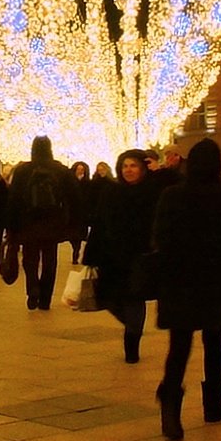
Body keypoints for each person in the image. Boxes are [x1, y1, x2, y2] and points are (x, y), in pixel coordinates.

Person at [148, 138, 221, 440]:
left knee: (179, 347)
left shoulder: (171, 196)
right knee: (214, 343)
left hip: (179, 282)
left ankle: (170, 408)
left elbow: (159, 240)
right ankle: (212, 404)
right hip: (215, 282)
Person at [87, 149, 160, 364]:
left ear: (143, 168)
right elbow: (99, 224)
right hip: (113, 257)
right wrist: (91, 256)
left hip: (141, 257)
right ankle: (131, 326)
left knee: (134, 299)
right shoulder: (112, 192)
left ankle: (132, 345)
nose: (129, 170)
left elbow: (178, 187)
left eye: (134, 165)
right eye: (125, 166)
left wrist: (159, 171)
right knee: (109, 298)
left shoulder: (153, 191)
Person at [10, 136, 73, 309]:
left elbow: (13, 199)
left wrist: (12, 226)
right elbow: (73, 196)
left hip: (28, 222)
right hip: (53, 222)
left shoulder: (23, 170)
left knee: (30, 259)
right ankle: (45, 298)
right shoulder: (60, 170)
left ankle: (32, 290)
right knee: (50, 260)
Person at [66, 160, 94, 262]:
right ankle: (75, 249)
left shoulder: (87, 183)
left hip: (83, 213)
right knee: (72, 236)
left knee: (79, 235)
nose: (80, 171)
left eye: (82, 169)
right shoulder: (70, 182)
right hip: (72, 212)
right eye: (78, 169)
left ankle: (76, 252)